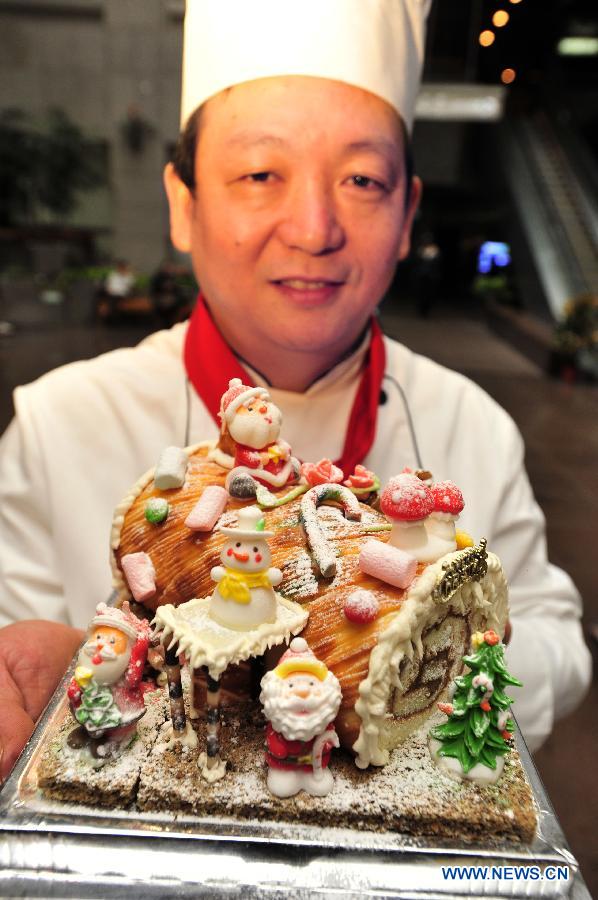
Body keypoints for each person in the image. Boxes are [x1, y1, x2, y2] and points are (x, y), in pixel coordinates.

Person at [0, 0, 591, 782]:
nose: (314, 227)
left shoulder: (472, 424)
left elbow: (557, 635)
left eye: (361, 178)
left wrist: (449, 653)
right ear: (183, 203)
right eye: (259, 172)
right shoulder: (57, 423)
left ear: (408, 212)